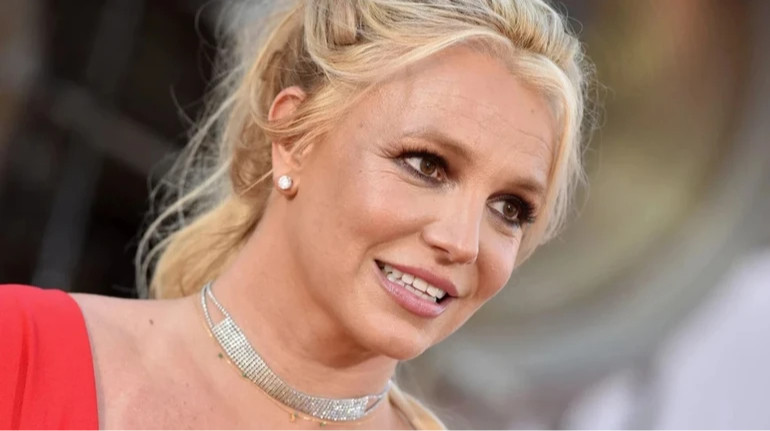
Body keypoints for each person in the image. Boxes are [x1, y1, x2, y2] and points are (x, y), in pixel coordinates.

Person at [0, 0, 592, 428]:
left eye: (510, 208)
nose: (463, 241)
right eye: (426, 164)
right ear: (293, 136)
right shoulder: (20, 354)